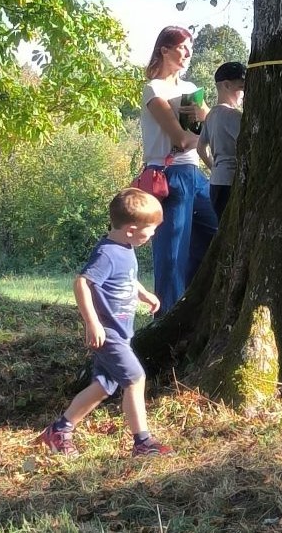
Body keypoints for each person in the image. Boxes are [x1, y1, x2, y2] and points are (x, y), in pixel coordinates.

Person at [38, 188, 172, 457]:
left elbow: (124, 279)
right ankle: (142, 442)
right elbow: (82, 283)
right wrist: (93, 323)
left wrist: (143, 293)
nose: (153, 234)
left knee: (103, 386)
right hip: (108, 333)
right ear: (132, 229)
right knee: (135, 378)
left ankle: (59, 430)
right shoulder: (108, 253)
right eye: (151, 230)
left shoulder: (125, 247)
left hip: (121, 333)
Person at [141, 26, 219, 315]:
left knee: (218, 235)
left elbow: (205, 131)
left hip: (195, 175)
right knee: (171, 256)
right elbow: (182, 139)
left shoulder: (188, 90)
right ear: (164, 50)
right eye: (183, 47)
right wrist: (205, 136)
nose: (188, 54)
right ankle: (166, 320)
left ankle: (195, 310)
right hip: (167, 176)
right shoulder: (154, 89)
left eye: (191, 49)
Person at [197, 61, 246, 219]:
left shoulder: (211, 114)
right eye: (241, 87)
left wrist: (215, 168)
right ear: (226, 85)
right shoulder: (233, 115)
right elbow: (247, 144)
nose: (244, 93)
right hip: (232, 181)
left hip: (216, 181)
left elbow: (200, 148)